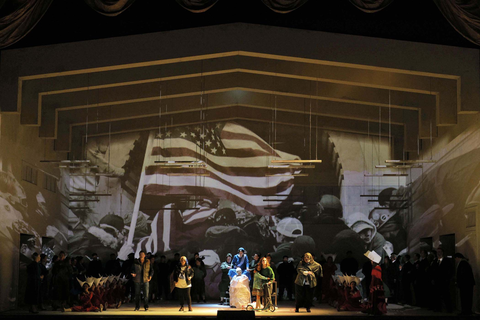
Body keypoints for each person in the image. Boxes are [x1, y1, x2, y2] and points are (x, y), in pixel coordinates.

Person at [362, 250, 387, 315]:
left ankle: (375, 309)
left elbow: (374, 278)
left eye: (371, 261)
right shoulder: (378, 267)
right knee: (377, 297)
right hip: (379, 285)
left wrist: (371, 286)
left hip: (375, 285)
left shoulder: (375, 269)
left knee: (375, 297)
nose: (371, 262)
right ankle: (377, 309)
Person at [432, 247, 453, 313]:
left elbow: (449, 271)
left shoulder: (447, 260)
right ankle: (438, 308)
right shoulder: (435, 261)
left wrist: (447, 279)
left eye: (440, 251)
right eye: (437, 252)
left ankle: (449, 309)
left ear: (442, 252)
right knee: (437, 295)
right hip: (437, 281)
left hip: (444, 281)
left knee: (446, 295)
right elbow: (433, 271)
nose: (438, 253)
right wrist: (433, 279)